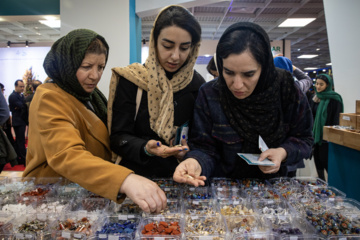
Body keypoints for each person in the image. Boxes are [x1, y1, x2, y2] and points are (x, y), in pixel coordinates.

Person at [22, 29, 167, 213]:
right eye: (86, 67)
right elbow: (68, 155)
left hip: (82, 194)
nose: (95, 75)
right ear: (68, 63)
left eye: (100, 67)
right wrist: (124, 179)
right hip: (52, 198)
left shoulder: (87, 95)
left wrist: (143, 146)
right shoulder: (49, 97)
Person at [173, 22, 314, 186]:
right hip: (224, 193)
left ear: (264, 67)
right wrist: (195, 162)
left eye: (249, 74)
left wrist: (283, 152)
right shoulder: (210, 93)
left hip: (275, 193)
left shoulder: (287, 89)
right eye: (228, 72)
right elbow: (204, 147)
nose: (237, 85)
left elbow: (304, 139)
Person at [108, 5, 205, 178]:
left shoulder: (197, 85)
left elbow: (203, 141)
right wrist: (145, 147)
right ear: (154, 41)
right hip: (136, 179)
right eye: (167, 46)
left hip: (180, 179)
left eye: (184, 48)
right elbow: (118, 137)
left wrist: (189, 153)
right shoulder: (132, 80)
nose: (175, 56)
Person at [309, 74, 343, 181]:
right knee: (317, 162)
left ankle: (332, 186)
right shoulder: (315, 98)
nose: (318, 87)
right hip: (315, 136)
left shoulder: (335, 99)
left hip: (326, 139)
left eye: (321, 84)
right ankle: (321, 184)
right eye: (317, 83)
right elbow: (311, 116)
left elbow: (336, 119)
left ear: (328, 85)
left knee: (326, 163)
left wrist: (330, 136)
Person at [8, 79, 27, 165]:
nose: (22, 88)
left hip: (21, 121)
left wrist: (21, 107)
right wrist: (21, 106)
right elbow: (22, 106)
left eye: (23, 86)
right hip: (17, 121)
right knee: (20, 141)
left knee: (20, 140)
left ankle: (20, 157)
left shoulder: (21, 96)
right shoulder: (13, 96)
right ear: (16, 86)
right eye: (20, 86)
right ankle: (22, 158)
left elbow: (22, 106)